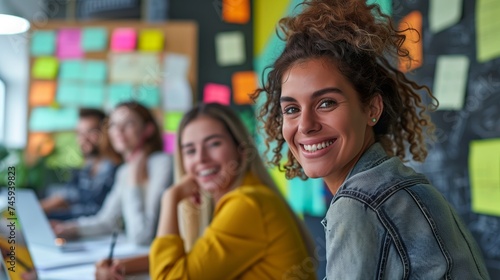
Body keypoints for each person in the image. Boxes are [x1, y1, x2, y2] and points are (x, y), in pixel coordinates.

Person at [253, 0, 490, 279]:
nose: (305, 125)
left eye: (326, 103)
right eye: (291, 109)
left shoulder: (360, 202)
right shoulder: (399, 183)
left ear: (372, 109)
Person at [96, 103, 317, 279]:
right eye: (190, 150)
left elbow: (171, 276)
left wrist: (170, 199)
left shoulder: (247, 204)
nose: (201, 158)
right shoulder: (244, 196)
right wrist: (122, 267)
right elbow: (194, 258)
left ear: (240, 150)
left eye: (213, 144)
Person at [53, 102, 173, 246]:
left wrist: (134, 176)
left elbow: (141, 235)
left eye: (128, 123)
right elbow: (107, 221)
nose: (118, 130)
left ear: (148, 129)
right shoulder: (124, 171)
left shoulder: (162, 163)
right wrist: (66, 228)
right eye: (113, 125)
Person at [41, 108, 120, 220]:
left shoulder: (118, 170)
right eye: (80, 133)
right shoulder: (86, 169)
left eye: (91, 132)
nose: (84, 139)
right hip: (73, 228)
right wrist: (35, 209)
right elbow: (66, 196)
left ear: (106, 133)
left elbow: (99, 215)